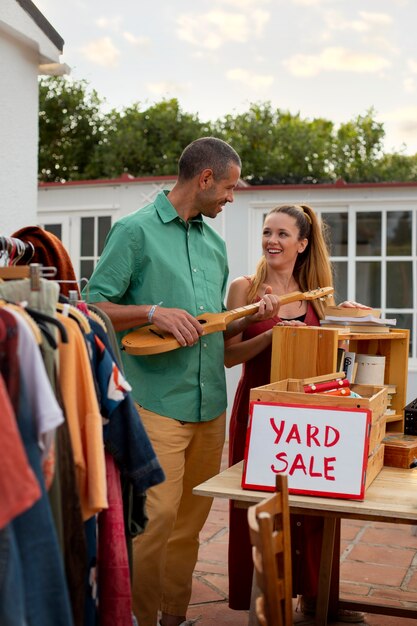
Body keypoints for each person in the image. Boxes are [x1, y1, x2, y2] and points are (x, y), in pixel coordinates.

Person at [83, 137, 280, 626]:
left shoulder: (213, 244)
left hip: (209, 404)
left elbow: (212, 327)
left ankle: (174, 616)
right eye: (230, 188)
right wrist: (152, 312)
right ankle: (138, 618)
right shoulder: (133, 232)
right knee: (152, 524)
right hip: (155, 403)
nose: (232, 198)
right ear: (206, 179)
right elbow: (90, 307)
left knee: (188, 527)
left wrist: (252, 317)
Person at [225, 203, 367, 623]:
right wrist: (270, 334)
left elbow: (333, 353)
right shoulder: (244, 289)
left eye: (283, 234)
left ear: (302, 244)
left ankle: (318, 598)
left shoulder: (317, 295)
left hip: (309, 413)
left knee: (316, 507)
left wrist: (348, 319)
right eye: (268, 232)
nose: (272, 240)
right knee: (261, 505)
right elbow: (229, 357)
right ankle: (268, 602)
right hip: (259, 408)